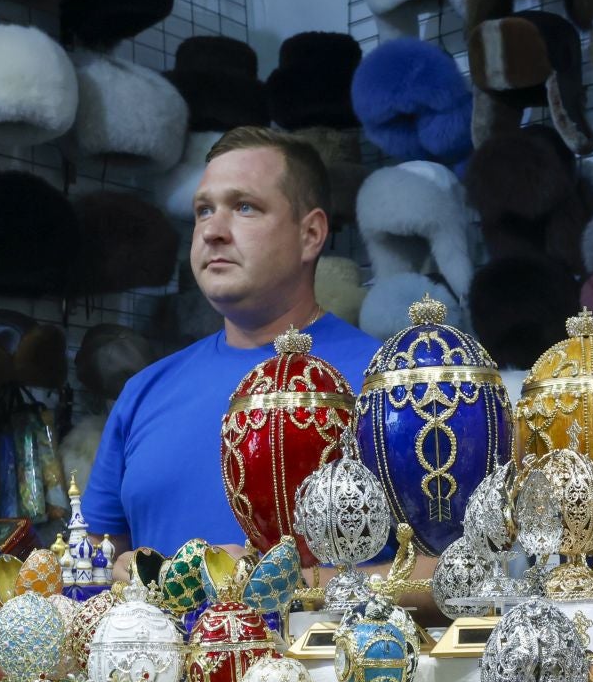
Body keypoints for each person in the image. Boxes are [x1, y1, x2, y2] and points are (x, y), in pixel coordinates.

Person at [83, 127, 381, 563]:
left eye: (245, 207)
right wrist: (113, 573)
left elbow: (462, 570)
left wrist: (268, 587)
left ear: (311, 234)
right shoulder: (145, 391)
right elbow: (90, 560)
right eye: (204, 210)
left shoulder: (385, 381)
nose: (212, 232)